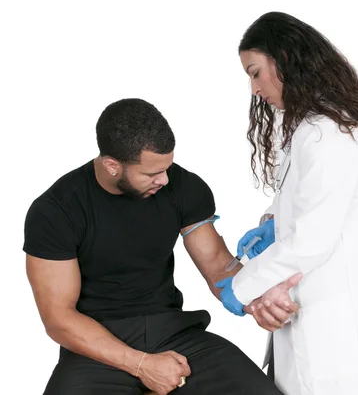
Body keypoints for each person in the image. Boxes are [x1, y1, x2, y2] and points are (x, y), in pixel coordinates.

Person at [22, 98, 297, 394]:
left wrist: (256, 297)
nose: (164, 180)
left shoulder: (183, 186)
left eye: (167, 167)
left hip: (173, 334)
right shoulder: (56, 211)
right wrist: (142, 365)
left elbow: (217, 264)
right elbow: (59, 319)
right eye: (152, 174)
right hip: (97, 346)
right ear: (112, 166)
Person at [214, 12, 358, 395]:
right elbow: (302, 199)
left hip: (337, 335)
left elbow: (311, 239)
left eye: (255, 72)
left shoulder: (328, 133)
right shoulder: (309, 127)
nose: (254, 88)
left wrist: (240, 287)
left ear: (283, 58)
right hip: (310, 314)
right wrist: (272, 222)